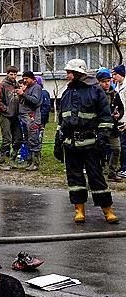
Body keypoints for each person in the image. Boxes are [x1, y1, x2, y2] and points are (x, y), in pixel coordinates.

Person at [55, 59, 118, 224]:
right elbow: (62, 120)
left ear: (78, 74)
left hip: (91, 143)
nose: (67, 75)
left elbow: (105, 117)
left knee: (96, 177)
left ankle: (107, 210)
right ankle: (79, 210)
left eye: (69, 72)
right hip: (70, 144)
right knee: (74, 179)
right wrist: (58, 140)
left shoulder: (96, 91)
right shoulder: (67, 93)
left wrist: (102, 139)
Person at [96, 68, 124, 182]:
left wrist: (118, 114)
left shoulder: (115, 94)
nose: (107, 83)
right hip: (100, 127)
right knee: (99, 150)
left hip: (112, 127)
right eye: (104, 81)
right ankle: (97, 171)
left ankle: (112, 171)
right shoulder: (95, 94)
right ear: (99, 82)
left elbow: (121, 108)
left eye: (108, 81)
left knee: (117, 149)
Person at [0, 66, 21, 170]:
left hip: (16, 116)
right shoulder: (2, 85)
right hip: (5, 116)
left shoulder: (17, 85)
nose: (13, 76)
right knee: (7, 139)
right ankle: (1, 160)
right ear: (7, 74)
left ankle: (12, 160)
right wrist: (5, 109)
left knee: (18, 138)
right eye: (11, 74)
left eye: (15, 74)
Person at [16, 71, 43, 171]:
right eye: (23, 78)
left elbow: (35, 101)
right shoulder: (27, 87)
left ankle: (35, 163)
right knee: (27, 140)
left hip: (32, 118)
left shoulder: (36, 87)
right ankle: (29, 161)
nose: (24, 80)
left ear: (32, 79)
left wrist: (23, 94)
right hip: (25, 118)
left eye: (26, 78)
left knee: (34, 139)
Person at [112, 65, 126, 178]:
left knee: (124, 145)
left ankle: (125, 168)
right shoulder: (116, 87)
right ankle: (122, 167)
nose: (114, 77)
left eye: (116, 74)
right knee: (121, 145)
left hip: (125, 120)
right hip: (119, 119)